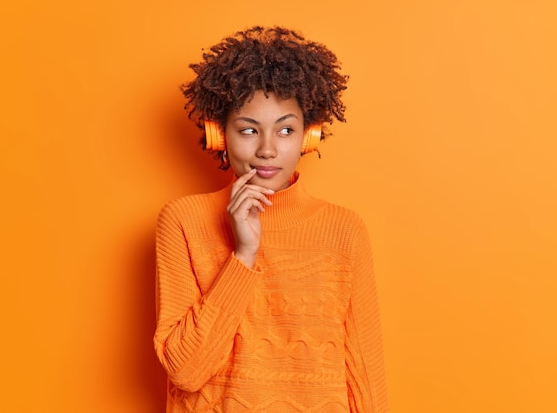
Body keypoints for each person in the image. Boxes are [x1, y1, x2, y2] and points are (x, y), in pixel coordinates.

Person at [154, 26, 388, 412]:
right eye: (248, 130)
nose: (267, 149)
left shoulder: (343, 230)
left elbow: (365, 374)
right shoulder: (183, 221)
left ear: (307, 137)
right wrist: (243, 256)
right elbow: (185, 372)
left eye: (285, 130)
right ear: (219, 134)